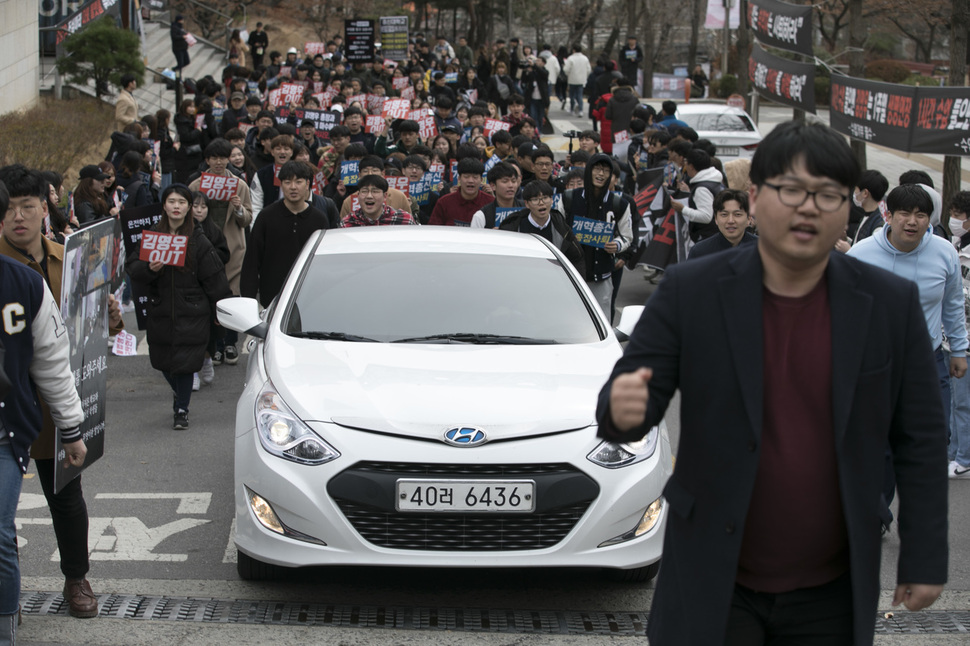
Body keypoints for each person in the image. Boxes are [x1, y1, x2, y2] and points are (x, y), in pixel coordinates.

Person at [598, 121, 948, 646]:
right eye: (791, 190)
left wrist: (923, 555)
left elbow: (920, 436)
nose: (809, 207)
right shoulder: (692, 290)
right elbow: (630, 399)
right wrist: (623, 410)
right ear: (757, 198)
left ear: (850, 208)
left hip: (832, 585)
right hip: (716, 573)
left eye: (828, 194)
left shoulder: (888, 305)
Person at [0, 168, 110, 627]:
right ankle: (11, 594)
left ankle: (76, 577)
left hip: (57, 403)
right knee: (5, 518)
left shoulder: (73, 258)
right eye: (11, 209)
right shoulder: (7, 274)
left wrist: (106, 318)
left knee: (65, 496)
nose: (19, 217)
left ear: (45, 209)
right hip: (14, 405)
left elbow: (95, 324)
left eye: (29, 207)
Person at [125, 184, 231, 430]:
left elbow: (214, 276)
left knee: (185, 362)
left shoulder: (198, 238)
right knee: (163, 361)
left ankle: (182, 408)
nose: (176, 207)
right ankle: (179, 394)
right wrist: (149, 268)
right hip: (161, 309)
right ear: (164, 205)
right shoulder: (153, 236)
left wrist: (221, 307)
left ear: (189, 207)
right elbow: (133, 267)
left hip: (192, 310)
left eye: (182, 202)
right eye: (172, 201)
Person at [188, 139, 252, 366]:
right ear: (207, 160)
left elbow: (247, 220)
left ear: (228, 159)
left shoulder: (239, 185)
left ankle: (230, 343)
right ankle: (213, 347)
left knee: (230, 296)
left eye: (222, 158)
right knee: (208, 297)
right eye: (213, 158)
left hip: (232, 248)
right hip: (203, 246)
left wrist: (237, 207)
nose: (218, 162)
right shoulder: (196, 186)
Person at [241, 161, 332, 307]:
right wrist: (248, 301)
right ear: (281, 184)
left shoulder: (319, 219)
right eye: (287, 182)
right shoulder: (266, 217)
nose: (293, 187)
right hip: (272, 298)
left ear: (308, 184)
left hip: (309, 297)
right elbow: (252, 262)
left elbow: (325, 263)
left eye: (298, 181)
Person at [560, 154, 633, 320]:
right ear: (589, 170)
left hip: (602, 277)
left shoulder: (619, 204)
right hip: (571, 274)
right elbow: (557, 229)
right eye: (598, 169)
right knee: (569, 320)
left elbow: (627, 237)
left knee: (601, 322)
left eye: (606, 171)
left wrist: (617, 245)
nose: (601, 174)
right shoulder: (569, 198)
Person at [499, 180, 583, 273]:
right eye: (535, 199)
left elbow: (577, 259)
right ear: (527, 204)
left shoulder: (561, 227)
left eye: (545, 198)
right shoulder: (514, 227)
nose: (541, 203)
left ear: (551, 200)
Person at [947, 190, 970, 478]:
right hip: (953, 335)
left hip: (964, 337)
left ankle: (964, 457)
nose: (954, 220)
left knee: (963, 401)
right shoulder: (956, 243)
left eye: (959, 215)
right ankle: (954, 451)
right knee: (955, 399)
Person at [672, 148, 725, 243]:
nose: (684, 166)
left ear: (691, 166)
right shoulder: (713, 180)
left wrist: (683, 209)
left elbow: (706, 216)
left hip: (707, 238)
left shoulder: (702, 188)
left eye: (686, 162)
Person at [688, 189, 757, 259]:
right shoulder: (700, 251)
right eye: (724, 214)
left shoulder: (763, 249)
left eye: (737, 214)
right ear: (716, 219)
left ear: (749, 219)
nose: (730, 221)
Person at [428, 157, 494, 226]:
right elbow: (433, 230)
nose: (470, 181)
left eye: (475, 177)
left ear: (481, 180)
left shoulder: (490, 202)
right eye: (466, 177)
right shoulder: (444, 202)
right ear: (459, 179)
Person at [340, 174, 418, 227]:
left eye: (375, 191)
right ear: (358, 195)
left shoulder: (404, 220)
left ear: (385, 196)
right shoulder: (348, 223)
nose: (369, 196)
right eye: (364, 191)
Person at [471, 161, 523, 228]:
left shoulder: (527, 210)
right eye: (505, 181)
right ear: (493, 186)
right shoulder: (481, 216)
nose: (511, 185)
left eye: (513, 181)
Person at [850, 170, 888, 245]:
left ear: (865, 193)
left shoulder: (878, 227)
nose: (854, 193)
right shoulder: (869, 215)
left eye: (856, 189)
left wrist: (848, 249)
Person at [563, 44, 591, 118]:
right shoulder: (585, 58)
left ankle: (572, 109)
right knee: (580, 95)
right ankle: (581, 110)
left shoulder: (571, 58)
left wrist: (568, 74)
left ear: (573, 50)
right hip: (581, 80)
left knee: (572, 95)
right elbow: (588, 69)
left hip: (572, 79)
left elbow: (566, 69)